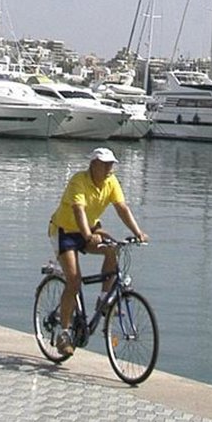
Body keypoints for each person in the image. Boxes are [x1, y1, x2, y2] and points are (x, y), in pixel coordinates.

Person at [48, 146, 147, 356]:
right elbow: (79, 210)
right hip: (64, 231)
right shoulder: (79, 180)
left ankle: (103, 298)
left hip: (88, 230)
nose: (109, 169)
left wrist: (138, 232)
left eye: (111, 165)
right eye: (105, 165)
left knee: (113, 249)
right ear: (93, 165)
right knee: (74, 280)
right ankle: (63, 333)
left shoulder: (111, 182)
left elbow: (122, 208)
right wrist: (87, 235)